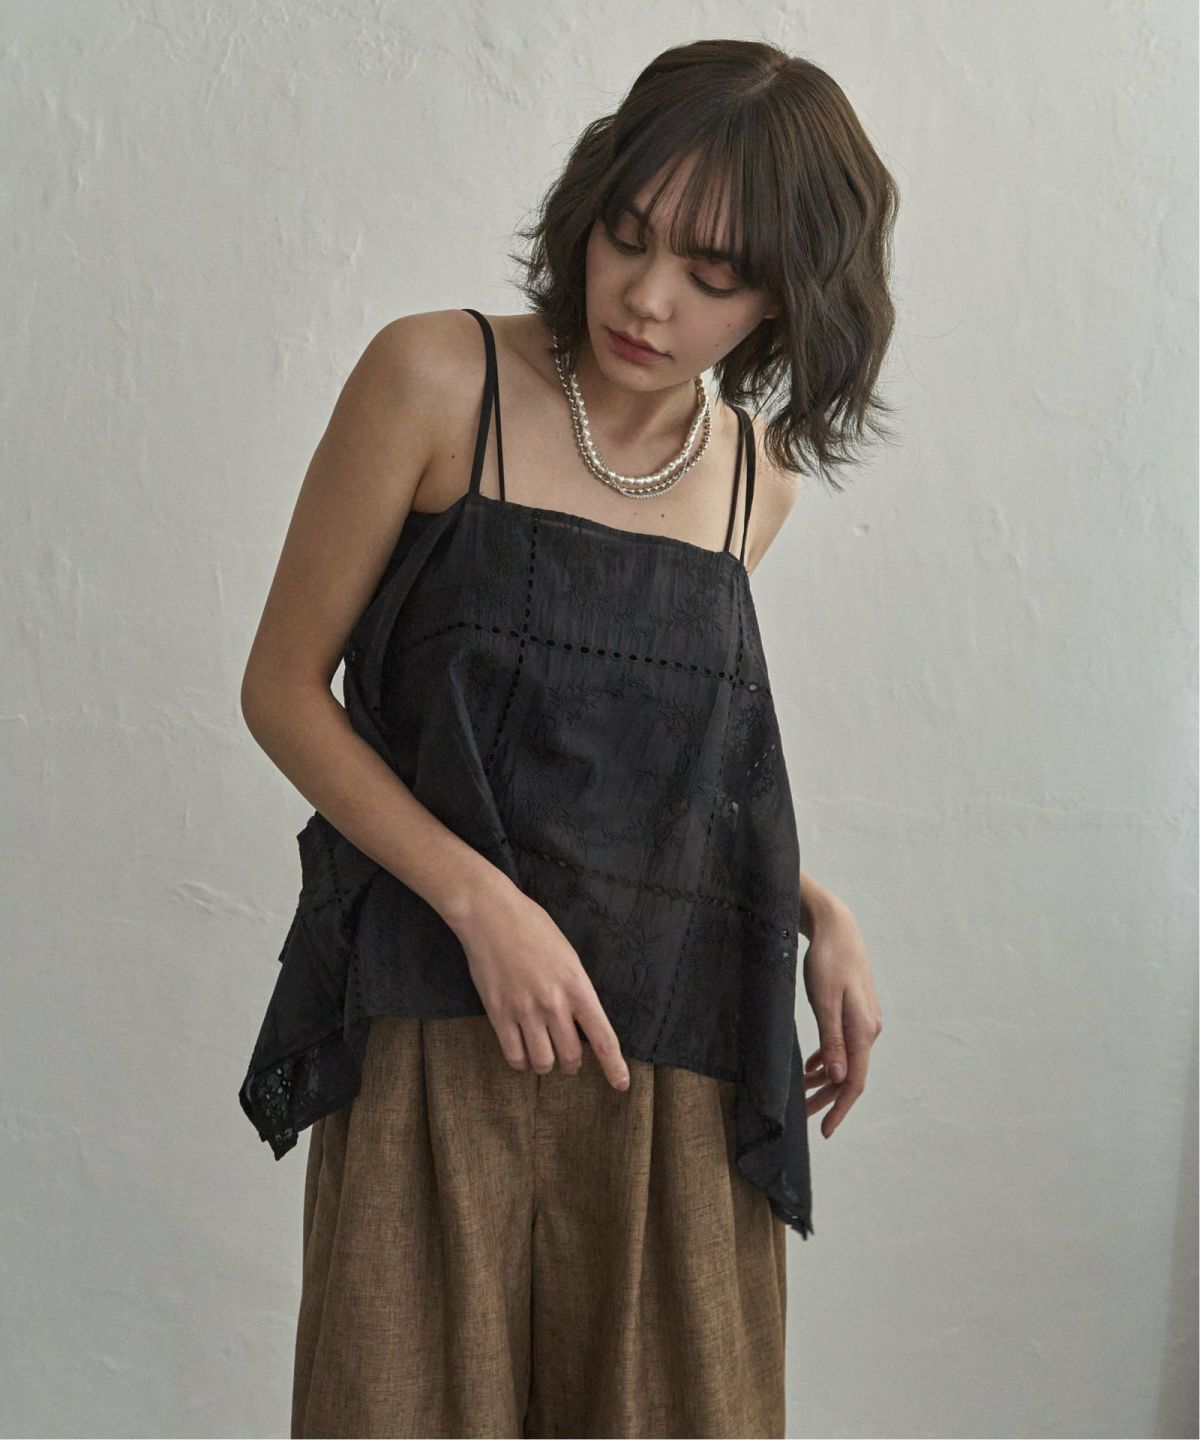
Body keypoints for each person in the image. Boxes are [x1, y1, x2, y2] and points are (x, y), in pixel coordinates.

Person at [238, 36, 889, 1440]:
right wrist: (484, 908)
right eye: (628, 235)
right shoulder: (435, 379)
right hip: (436, 1023)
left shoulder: (752, 485)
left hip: (669, 1061)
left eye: (713, 275)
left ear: (788, 294)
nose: (648, 298)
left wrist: (815, 909)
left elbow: (639, 787)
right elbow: (283, 690)